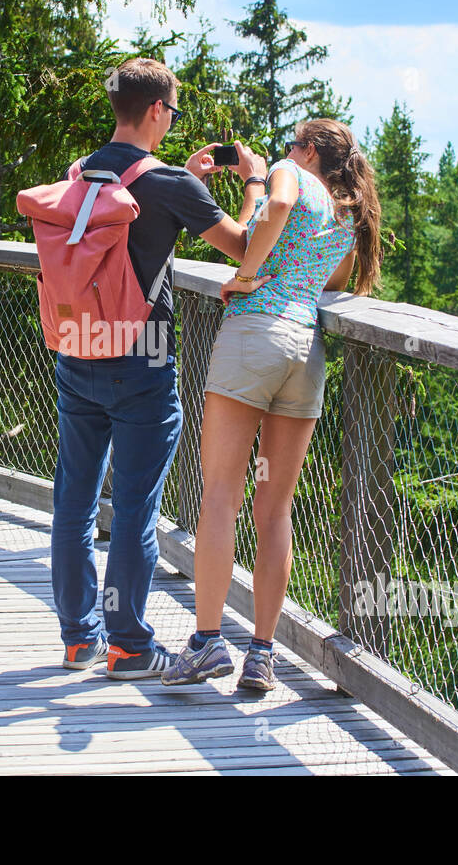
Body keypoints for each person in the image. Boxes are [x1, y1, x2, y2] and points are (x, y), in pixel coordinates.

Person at [52, 57, 268, 679]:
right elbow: (248, 248)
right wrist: (250, 182)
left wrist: (188, 181)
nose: (172, 121)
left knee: (75, 499)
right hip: (142, 364)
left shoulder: (81, 172)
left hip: (77, 349)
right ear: (155, 111)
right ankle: (131, 647)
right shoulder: (169, 183)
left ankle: (78, 639)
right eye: (171, 111)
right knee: (137, 506)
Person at [161, 117, 382, 690]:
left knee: (219, 496)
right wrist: (253, 188)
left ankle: (208, 643)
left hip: (253, 337)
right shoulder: (344, 206)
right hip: (304, 354)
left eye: (291, 146)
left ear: (306, 150)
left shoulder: (291, 174)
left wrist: (247, 273)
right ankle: (262, 653)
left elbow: (277, 209)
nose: (285, 154)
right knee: (274, 508)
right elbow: (332, 280)